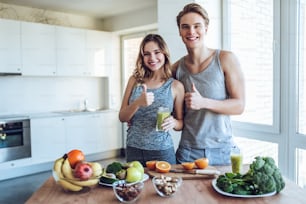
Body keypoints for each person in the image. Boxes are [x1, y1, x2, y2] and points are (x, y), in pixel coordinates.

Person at [173, 3, 245, 165]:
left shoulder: (225, 59)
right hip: (188, 151)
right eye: (185, 27)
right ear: (180, 31)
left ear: (206, 28)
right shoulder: (176, 68)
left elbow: (239, 105)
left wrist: (203, 102)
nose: (191, 32)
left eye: (197, 26)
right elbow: (158, 90)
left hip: (223, 151)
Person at [119, 34, 185, 166]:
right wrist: (138, 103)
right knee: (136, 187)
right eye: (147, 54)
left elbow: (180, 123)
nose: (152, 58)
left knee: (165, 186)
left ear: (164, 53)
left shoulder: (176, 86)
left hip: (162, 151)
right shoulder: (134, 80)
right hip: (134, 149)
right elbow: (122, 117)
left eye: (157, 52)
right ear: (142, 57)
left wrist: (173, 122)